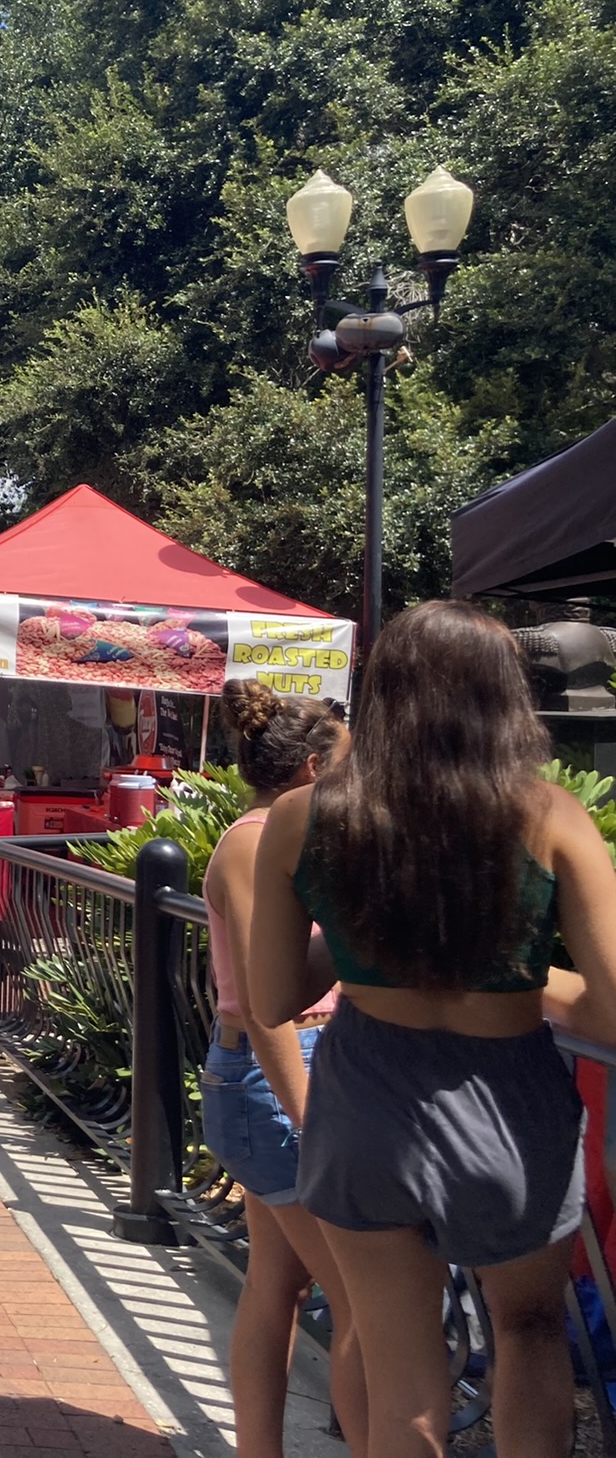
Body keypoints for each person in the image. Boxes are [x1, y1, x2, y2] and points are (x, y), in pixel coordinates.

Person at [252, 600, 616, 1458]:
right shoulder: (552, 816)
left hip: (366, 1098)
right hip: (511, 1104)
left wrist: (373, 933)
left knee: (400, 1364)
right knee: (527, 1333)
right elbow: (610, 1004)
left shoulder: (306, 818)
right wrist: (523, 978)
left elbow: (272, 994)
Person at [199, 682, 362, 1458]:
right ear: (309, 767)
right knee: (366, 1302)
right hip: (277, 1075)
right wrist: (308, 1117)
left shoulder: (276, 838)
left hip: (282, 1072)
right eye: (345, 766)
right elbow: (270, 1004)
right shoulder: (257, 842)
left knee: (280, 1284)